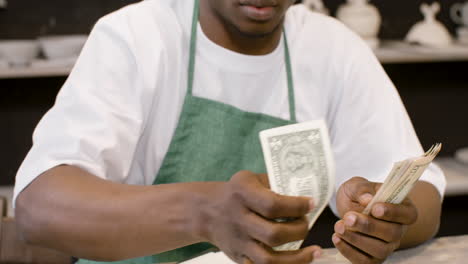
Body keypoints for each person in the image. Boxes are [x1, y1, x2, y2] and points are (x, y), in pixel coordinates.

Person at [13, 0, 446, 264]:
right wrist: (206, 214)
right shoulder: (138, 36)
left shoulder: (332, 49)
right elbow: (40, 208)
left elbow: (421, 196)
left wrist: (387, 220)